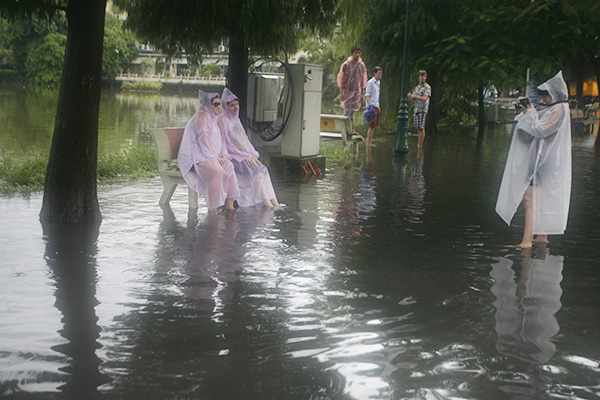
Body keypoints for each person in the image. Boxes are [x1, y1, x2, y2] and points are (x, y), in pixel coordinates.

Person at [496, 71, 572, 248]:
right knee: (539, 198)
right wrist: (530, 113)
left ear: (554, 94)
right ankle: (541, 236)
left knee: (529, 199)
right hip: (546, 160)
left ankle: (526, 241)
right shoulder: (559, 109)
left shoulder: (559, 109)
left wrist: (530, 113)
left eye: (546, 95)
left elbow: (541, 130)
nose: (544, 99)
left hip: (542, 161)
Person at [178, 90, 240, 212]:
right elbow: (204, 140)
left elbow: (220, 140)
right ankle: (212, 207)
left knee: (229, 166)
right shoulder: (203, 117)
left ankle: (230, 205)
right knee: (217, 171)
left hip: (210, 155)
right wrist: (214, 157)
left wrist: (222, 153)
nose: (218, 107)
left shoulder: (213, 118)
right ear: (207, 105)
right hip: (197, 157)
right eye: (215, 104)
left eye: (218, 104)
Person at [217, 88, 279, 208]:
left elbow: (244, 140)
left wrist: (250, 154)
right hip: (233, 157)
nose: (235, 108)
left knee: (262, 168)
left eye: (237, 104)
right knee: (256, 171)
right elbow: (223, 144)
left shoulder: (236, 119)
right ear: (225, 107)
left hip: (243, 155)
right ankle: (266, 202)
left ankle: (273, 201)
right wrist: (243, 156)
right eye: (231, 106)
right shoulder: (222, 120)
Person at [336, 46, 368, 131]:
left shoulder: (361, 65)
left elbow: (363, 79)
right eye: (355, 53)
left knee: (352, 111)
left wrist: (361, 93)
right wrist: (341, 91)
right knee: (346, 111)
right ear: (352, 54)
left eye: (359, 53)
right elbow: (342, 78)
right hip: (347, 90)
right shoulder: (346, 64)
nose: (357, 55)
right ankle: (344, 129)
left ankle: (350, 129)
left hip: (356, 91)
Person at [407, 70, 431, 148]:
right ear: (418, 77)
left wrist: (415, 97)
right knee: (418, 128)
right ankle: (418, 143)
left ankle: (420, 145)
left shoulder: (427, 87)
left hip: (423, 109)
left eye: (424, 76)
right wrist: (410, 96)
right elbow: (412, 99)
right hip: (416, 109)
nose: (423, 78)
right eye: (421, 76)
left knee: (421, 127)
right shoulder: (416, 87)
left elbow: (425, 98)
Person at [365, 66, 382, 147]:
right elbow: (367, 95)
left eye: (381, 73)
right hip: (372, 106)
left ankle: (369, 142)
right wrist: (369, 107)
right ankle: (368, 143)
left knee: (374, 126)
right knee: (371, 126)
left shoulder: (378, 83)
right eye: (379, 73)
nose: (380, 75)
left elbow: (377, 96)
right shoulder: (370, 82)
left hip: (376, 105)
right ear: (374, 73)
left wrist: (378, 106)